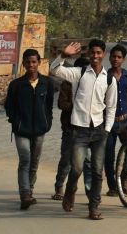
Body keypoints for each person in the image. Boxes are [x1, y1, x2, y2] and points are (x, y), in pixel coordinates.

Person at [50, 39, 117, 221]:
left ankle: (94, 207)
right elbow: (54, 70)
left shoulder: (109, 79)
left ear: (103, 54)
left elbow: (111, 107)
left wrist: (107, 129)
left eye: (98, 53)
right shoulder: (79, 73)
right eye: (92, 53)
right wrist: (64, 55)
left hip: (99, 131)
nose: (95, 56)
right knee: (77, 169)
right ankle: (70, 190)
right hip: (79, 131)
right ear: (88, 55)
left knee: (96, 171)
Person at [5, 49, 54, 210]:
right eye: (28, 62)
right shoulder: (16, 85)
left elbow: (49, 106)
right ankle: (24, 194)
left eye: (34, 62)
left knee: (34, 162)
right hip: (21, 130)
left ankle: (30, 191)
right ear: (24, 64)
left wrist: (47, 123)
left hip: (40, 130)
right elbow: (9, 106)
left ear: (39, 62)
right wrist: (15, 121)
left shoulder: (47, 83)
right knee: (25, 158)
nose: (31, 65)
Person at [52, 55, 91, 200]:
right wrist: (78, 106)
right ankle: (59, 187)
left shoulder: (93, 84)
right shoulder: (68, 83)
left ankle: (89, 191)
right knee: (66, 160)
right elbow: (62, 104)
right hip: (70, 127)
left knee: (88, 161)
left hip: (87, 129)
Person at [104, 44, 127, 196]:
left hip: (125, 121)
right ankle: (112, 187)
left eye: (119, 57)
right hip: (109, 122)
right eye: (113, 57)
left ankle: (123, 178)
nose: (116, 59)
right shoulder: (104, 76)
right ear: (109, 58)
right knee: (109, 155)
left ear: (123, 59)